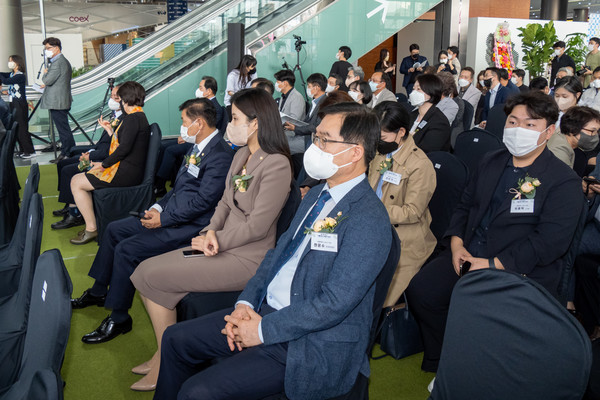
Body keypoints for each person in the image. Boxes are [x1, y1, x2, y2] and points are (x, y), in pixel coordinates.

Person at [153, 102, 392, 400]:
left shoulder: (369, 219)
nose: (314, 148)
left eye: (324, 140)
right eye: (315, 137)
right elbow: (277, 255)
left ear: (355, 152)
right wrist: (245, 304)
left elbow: (333, 303)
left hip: (306, 340)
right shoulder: (317, 194)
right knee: (176, 339)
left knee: (197, 392)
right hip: (265, 312)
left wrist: (263, 329)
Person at [406, 91, 584, 381]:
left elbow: (548, 243)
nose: (518, 130)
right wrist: (456, 244)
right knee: (422, 291)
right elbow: (464, 205)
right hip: (468, 251)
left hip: (517, 267)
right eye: (513, 122)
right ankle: (446, 356)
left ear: (549, 132)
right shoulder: (491, 159)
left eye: (530, 125)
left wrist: (493, 264)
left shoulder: (563, 181)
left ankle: (475, 365)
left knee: (482, 314)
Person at [129, 88, 293, 391]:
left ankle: (167, 359)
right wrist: (209, 233)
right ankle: (163, 352)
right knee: (144, 271)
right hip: (221, 243)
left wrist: (217, 240)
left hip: (248, 257)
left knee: (149, 275)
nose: (230, 124)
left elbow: (258, 226)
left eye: (235, 118)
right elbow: (224, 204)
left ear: (256, 123)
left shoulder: (277, 164)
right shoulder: (242, 154)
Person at [74, 98, 234, 347]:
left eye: (184, 121)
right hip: (169, 215)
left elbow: (204, 203)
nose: (182, 126)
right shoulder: (197, 147)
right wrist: (157, 207)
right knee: (115, 229)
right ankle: (97, 291)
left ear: (199, 123)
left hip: (188, 227)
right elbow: (179, 187)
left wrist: (164, 219)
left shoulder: (220, 155)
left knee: (128, 250)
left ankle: (119, 317)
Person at [369, 101, 436, 307]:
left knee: (379, 298)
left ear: (401, 132)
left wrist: (373, 212)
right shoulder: (380, 154)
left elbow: (413, 212)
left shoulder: (420, 165)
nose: (377, 142)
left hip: (404, 238)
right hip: (374, 227)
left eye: (382, 137)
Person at [69, 81, 151, 244]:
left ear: (125, 99)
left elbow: (123, 149)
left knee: (76, 182)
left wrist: (104, 164)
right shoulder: (137, 116)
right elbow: (125, 144)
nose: (118, 101)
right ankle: (91, 227)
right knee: (78, 179)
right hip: (128, 169)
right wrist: (110, 131)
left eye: (119, 98)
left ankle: (91, 229)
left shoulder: (132, 119)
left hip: (125, 173)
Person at [51, 85, 122, 229]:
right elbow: (103, 145)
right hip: (98, 152)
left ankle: (74, 213)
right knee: (62, 164)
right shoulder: (115, 116)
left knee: (68, 170)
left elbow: (112, 149)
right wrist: (90, 151)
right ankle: (69, 201)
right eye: (111, 96)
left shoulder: (124, 121)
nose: (112, 100)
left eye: (115, 97)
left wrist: (90, 155)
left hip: (103, 159)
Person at [154, 76, 224, 197]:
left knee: (170, 150)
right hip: (191, 137)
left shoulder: (215, 108)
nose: (198, 89)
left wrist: (187, 138)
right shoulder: (202, 104)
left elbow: (207, 132)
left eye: (201, 87)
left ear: (209, 91)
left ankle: (160, 185)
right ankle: (158, 180)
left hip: (196, 140)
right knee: (163, 145)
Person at [39, 37, 73, 163]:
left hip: (58, 102)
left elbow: (47, 80)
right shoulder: (60, 62)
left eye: (48, 48)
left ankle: (67, 153)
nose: (46, 51)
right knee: (63, 129)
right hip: (59, 100)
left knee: (63, 130)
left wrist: (45, 73)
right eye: (45, 48)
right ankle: (68, 152)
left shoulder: (58, 63)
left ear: (56, 48)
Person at [0, 55, 34, 158]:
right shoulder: (11, 74)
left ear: (17, 63)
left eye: (11, 61)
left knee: (22, 128)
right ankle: (23, 150)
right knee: (17, 127)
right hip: (13, 102)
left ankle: (29, 151)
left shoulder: (20, 76)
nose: (9, 63)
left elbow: (6, 81)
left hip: (19, 104)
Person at [283, 73, 327, 152]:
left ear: (316, 88)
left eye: (309, 86)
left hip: (313, 139)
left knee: (282, 145)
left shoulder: (325, 103)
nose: (308, 89)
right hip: (305, 134)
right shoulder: (315, 101)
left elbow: (315, 127)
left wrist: (295, 128)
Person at [407, 74, 451, 153]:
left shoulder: (439, 122)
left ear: (431, 93)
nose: (413, 92)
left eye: (418, 89)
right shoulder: (412, 115)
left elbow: (427, 152)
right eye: (413, 89)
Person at [558, 106, 600, 177]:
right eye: (592, 131)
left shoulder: (577, 152)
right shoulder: (559, 151)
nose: (595, 135)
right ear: (572, 129)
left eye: (597, 131)